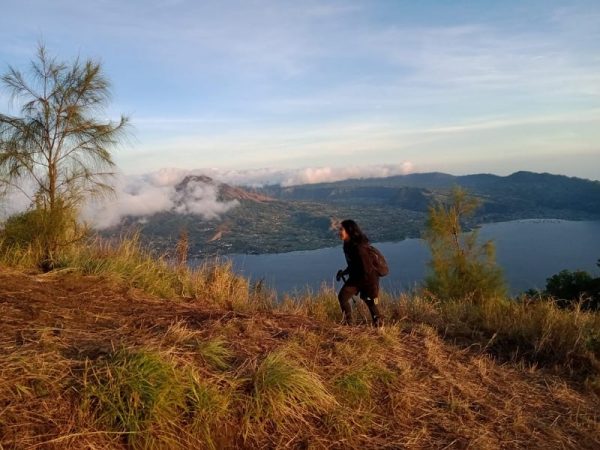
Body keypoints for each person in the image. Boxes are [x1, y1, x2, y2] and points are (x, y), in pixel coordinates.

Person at [335, 219, 383, 327]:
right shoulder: (347, 245)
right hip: (357, 278)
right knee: (342, 297)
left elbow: (367, 269)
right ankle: (349, 324)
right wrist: (344, 273)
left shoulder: (359, 248)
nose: (339, 232)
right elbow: (354, 264)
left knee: (370, 302)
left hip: (368, 280)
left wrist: (366, 288)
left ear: (349, 231)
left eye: (341, 229)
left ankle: (380, 327)